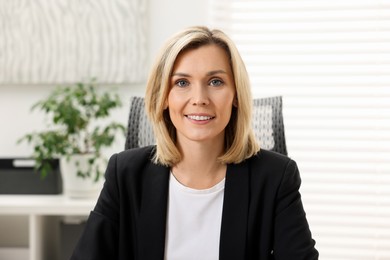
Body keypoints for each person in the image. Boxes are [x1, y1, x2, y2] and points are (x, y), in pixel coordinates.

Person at [71, 26, 319, 260]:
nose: (199, 98)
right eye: (182, 83)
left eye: (215, 82)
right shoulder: (125, 173)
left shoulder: (275, 177)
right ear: (163, 97)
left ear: (235, 95)